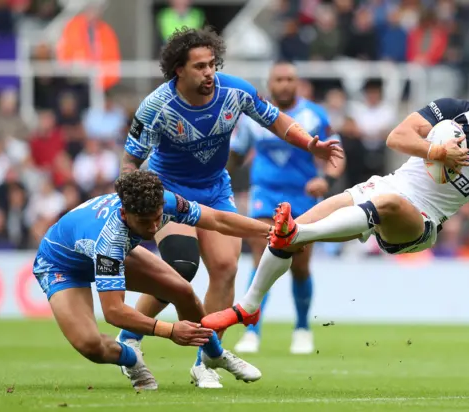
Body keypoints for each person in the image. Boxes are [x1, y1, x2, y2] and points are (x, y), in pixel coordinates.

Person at [201, 71, 469, 331]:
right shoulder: (451, 111)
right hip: (385, 186)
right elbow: (396, 137)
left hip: (420, 221)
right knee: (297, 226)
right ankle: (248, 306)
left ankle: (298, 239)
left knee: (376, 208)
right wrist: (437, 151)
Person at [118, 27, 343, 388]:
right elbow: (130, 160)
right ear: (179, 69)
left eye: (212, 64)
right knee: (182, 266)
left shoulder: (234, 91)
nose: (209, 73)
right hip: (170, 191)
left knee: (224, 269)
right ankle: (129, 340)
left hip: (215, 189)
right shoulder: (157, 107)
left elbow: (275, 118)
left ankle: (204, 361)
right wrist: (134, 198)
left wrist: (309, 144)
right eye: (200, 66)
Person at [32, 170, 274, 391]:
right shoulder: (110, 240)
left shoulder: (166, 201)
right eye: (144, 222)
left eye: (157, 218)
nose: (154, 227)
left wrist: (270, 231)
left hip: (107, 250)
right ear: (125, 214)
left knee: (182, 290)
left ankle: (213, 354)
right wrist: (169, 331)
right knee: (91, 345)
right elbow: (114, 311)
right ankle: (131, 358)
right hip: (61, 266)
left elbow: (218, 220)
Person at [228, 61, 345, 354]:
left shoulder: (314, 115)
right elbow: (235, 155)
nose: (283, 84)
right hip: (264, 194)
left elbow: (337, 152)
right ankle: (252, 331)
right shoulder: (254, 116)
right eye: (278, 79)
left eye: (289, 79)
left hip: (301, 196)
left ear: (297, 83)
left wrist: (326, 180)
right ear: (270, 83)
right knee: (260, 257)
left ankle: (303, 328)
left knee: (300, 265)